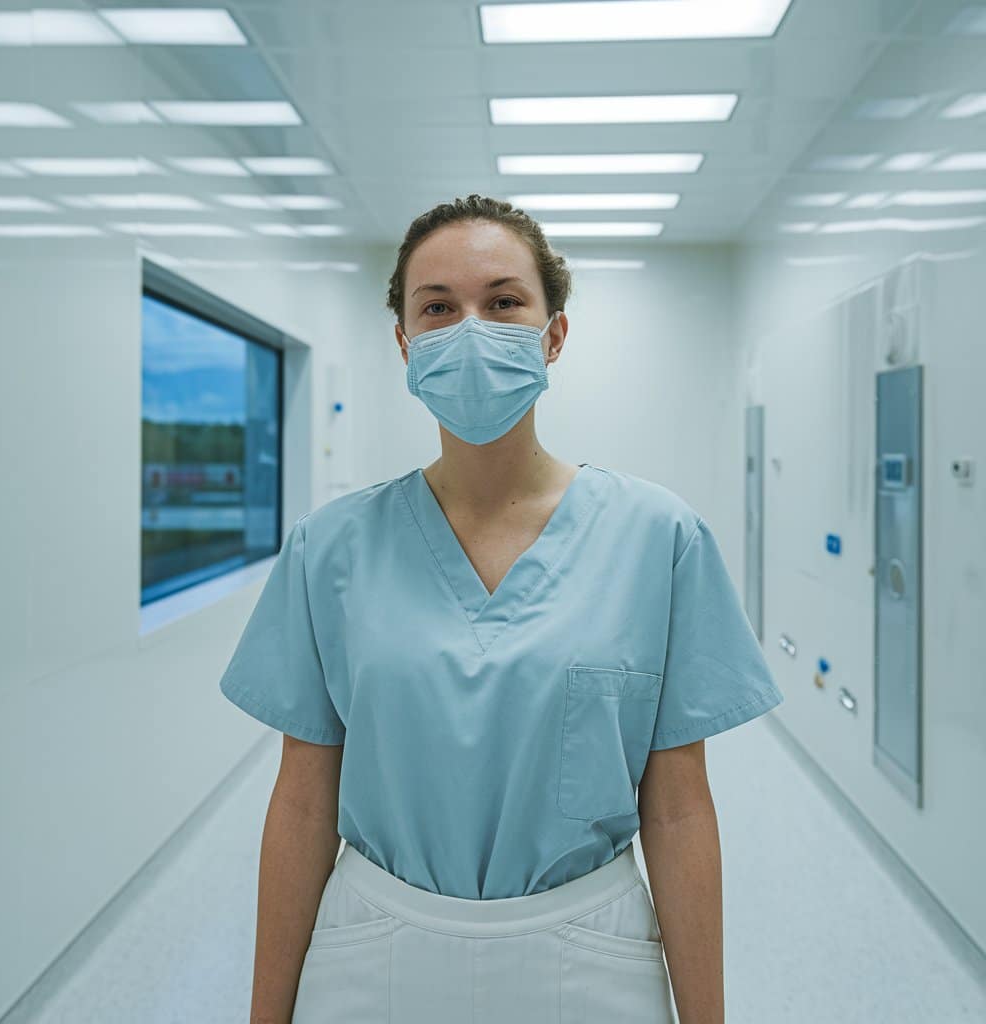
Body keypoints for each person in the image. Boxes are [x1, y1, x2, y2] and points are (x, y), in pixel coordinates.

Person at [218, 194, 785, 1023]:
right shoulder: (329, 548)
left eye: (504, 301)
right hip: (375, 947)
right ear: (406, 343)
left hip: (588, 946)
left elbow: (678, 805)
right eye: (439, 308)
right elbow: (303, 802)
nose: (471, 329)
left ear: (553, 336)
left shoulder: (655, 537)